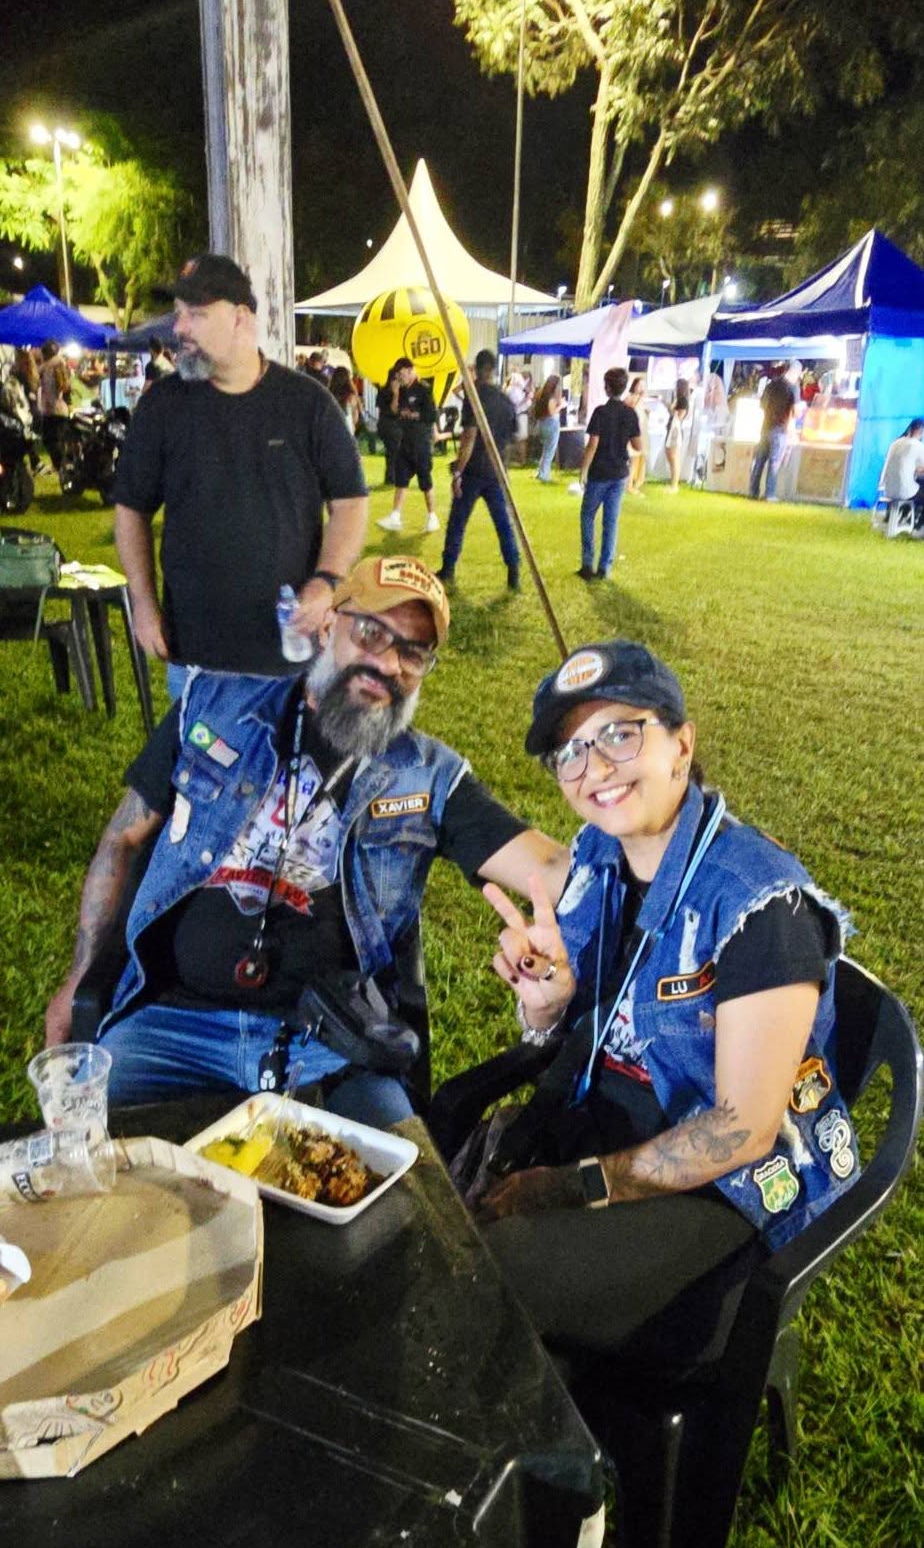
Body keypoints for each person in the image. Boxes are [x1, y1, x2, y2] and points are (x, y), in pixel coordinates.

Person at [44, 557, 570, 1127]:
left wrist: (635, 829)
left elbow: (552, 867)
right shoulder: (214, 706)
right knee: (87, 1159)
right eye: (370, 632)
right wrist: (80, 976)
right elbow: (123, 839)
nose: (387, 663)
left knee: (406, 1178)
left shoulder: (428, 776)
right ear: (327, 626)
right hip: (171, 1028)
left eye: (413, 652)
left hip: (328, 1046)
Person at [468, 637, 857, 1378]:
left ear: (681, 746)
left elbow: (742, 1131)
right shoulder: (601, 858)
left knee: (483, 1276)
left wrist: (570, 1187)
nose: (595, 769)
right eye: (571, 752)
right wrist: (548, 1007)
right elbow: (585, 1026)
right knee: (431, 1206)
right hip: (609, 1132)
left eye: (620, 734)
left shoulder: (756, 901)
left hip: (728, 1199)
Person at [113, 255, 368, 693]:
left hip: (291, 655)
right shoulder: (162, 407)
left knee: (291, 741)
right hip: (195, 658)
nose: (179, 328)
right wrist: (143, 603)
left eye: (196, 314)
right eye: (178, 313)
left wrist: (327, 581)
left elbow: (350, 501)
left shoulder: (307, 404)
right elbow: (131, 509)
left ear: (240, 318)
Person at [437, 349, 520, 592]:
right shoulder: (506, 401)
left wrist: (457, 472)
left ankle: (448, 568)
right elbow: (512, 440)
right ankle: (513, 568)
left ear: (477, 369)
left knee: (458, 521)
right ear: (493, 370)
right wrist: (505, 470)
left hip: (474, 471)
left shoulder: (474, 397)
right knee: (503, 523)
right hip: (496, 471)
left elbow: (469, 438)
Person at [577, 366, 642, 580]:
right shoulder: (630, 414)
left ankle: (588, 563)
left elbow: (592, 445)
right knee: (611, 521)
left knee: (587, 515)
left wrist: (583, 470)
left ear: (607, 387)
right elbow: (638, 445)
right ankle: (605, 566)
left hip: (600, 472)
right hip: (619, 473)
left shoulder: (600, 413)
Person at [378, 361, 440, 534]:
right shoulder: (402, 391)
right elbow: (393, 411)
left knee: (425, 480)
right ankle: (395, 516)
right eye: (398, 375)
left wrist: (414, 414)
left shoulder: (423, 389)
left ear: (411, 371)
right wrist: (396, 393)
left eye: (402, 373)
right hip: (405, 441)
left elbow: (431, 415)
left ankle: (432, 516)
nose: (400, 377)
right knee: (401, 479)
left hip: (421, 442)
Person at [748, 364, 795, 502]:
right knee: (774, 463)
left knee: (759, 461)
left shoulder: (770, 385)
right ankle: (770, 494)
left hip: (765, 427)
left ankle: (753, 491)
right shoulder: (792, 388)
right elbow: (796, 411)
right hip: (780, 429)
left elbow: (762, 405)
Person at [37, 339, 72, 468]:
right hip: (56, 409)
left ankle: (61, 466)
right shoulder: (57, 365)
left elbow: (59, 388)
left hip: (54, 409)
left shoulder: (52, 367)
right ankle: (62, 466)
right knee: (54, 440)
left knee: (52, 440)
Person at [879, 419, 924, 519]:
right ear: (920, 431)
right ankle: (918, 523)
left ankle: (895, 517)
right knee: (919, 491)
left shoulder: (895, 443)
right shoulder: (916, 445)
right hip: (904, 491)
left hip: (887, 489)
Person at [375, 362, 404, 487]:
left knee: (392, 452)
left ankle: (391, 476)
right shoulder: (386, 392)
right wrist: (396, 394)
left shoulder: (384, 391)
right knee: (394, 451)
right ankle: (392, 477)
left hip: (389, 425)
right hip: (390, 425)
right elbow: (393, 410)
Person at [532, 374, 563, 483]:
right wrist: (561, 406)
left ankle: (541, 472)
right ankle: (544, 474)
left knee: (545, 450)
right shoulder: (551, 398)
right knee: (550, 451)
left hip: (542, 424)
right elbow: (552, 412)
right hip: (551, 424)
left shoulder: (541, 395)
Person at [664, 377, 690, 493]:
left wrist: (671, 408)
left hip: (676, 430)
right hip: (671, 428)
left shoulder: (683, 401)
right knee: (670, 456)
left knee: (674, 457)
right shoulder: (678, 399)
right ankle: (672, 482)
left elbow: (680, 416)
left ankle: (675, 485)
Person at [625, 374, 649, 493]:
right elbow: (629, 410)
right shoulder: (630, 398)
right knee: (633, 458)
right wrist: (639, 398)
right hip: (633, 432)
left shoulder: (643, 400)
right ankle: (629, 485)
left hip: (642, 431)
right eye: (639, 385)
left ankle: (637, 482)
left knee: (641, 457)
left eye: (643, 386)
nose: (641, 388)